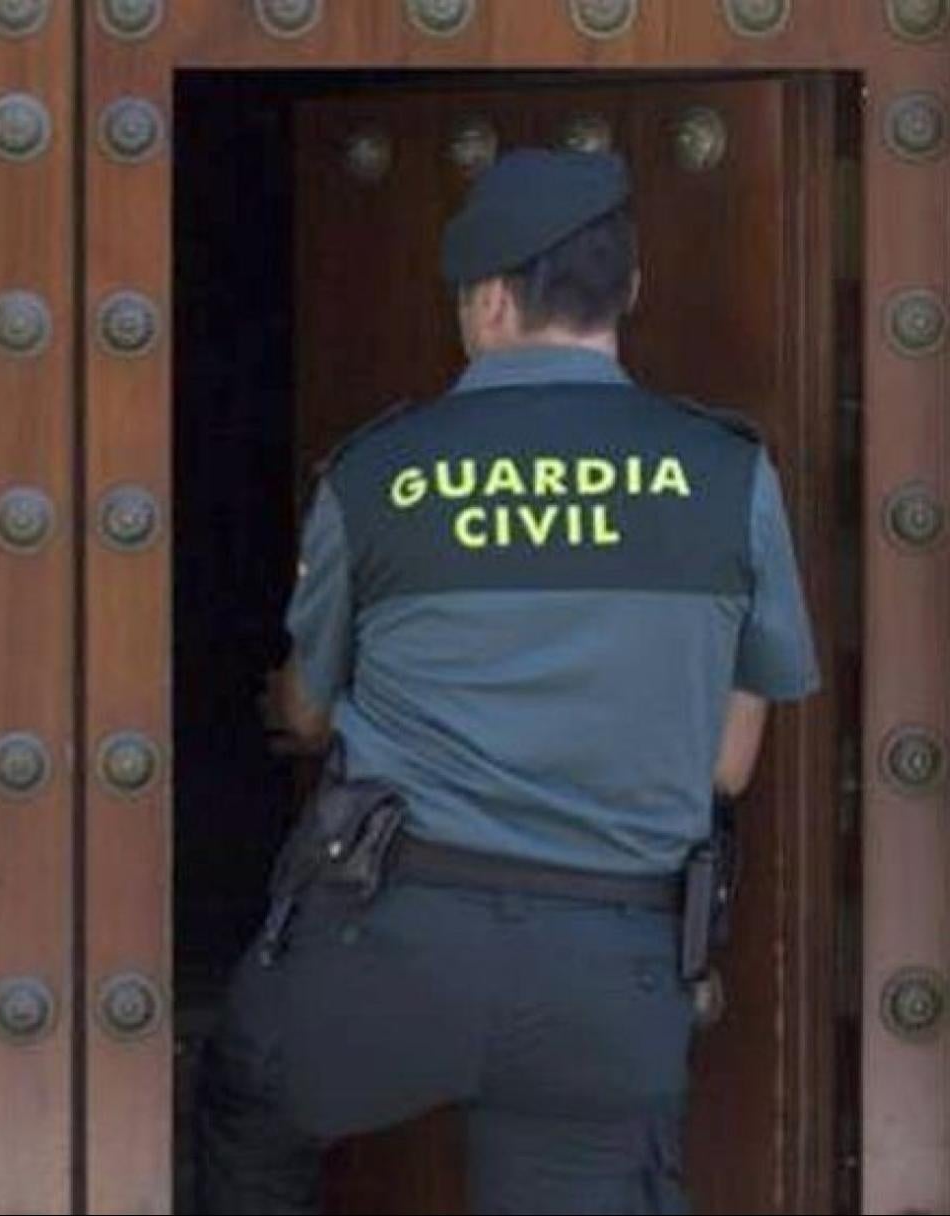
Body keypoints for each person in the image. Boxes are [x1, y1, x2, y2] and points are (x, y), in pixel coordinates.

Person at [192, 148, 820, 1214]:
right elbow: (727, 758)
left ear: (486, 299)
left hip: (387, 948)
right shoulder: (727, 476)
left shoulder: (376, 472)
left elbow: (307, 705)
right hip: (609, 971)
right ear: (632, 290)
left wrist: (288, 717)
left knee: (249, 1099)